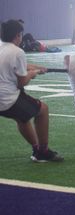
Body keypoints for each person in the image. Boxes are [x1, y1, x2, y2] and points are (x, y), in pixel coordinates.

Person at [0, 19, 63, 163]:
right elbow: (22, 81)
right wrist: (32, 73)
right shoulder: (17, 52)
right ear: (18, 35)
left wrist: (38, 67)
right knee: (42, 110)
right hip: (7, 100)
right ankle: (43, 151)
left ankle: (37, 150)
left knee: (22, 117)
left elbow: (19, 65)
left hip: (4, 99)